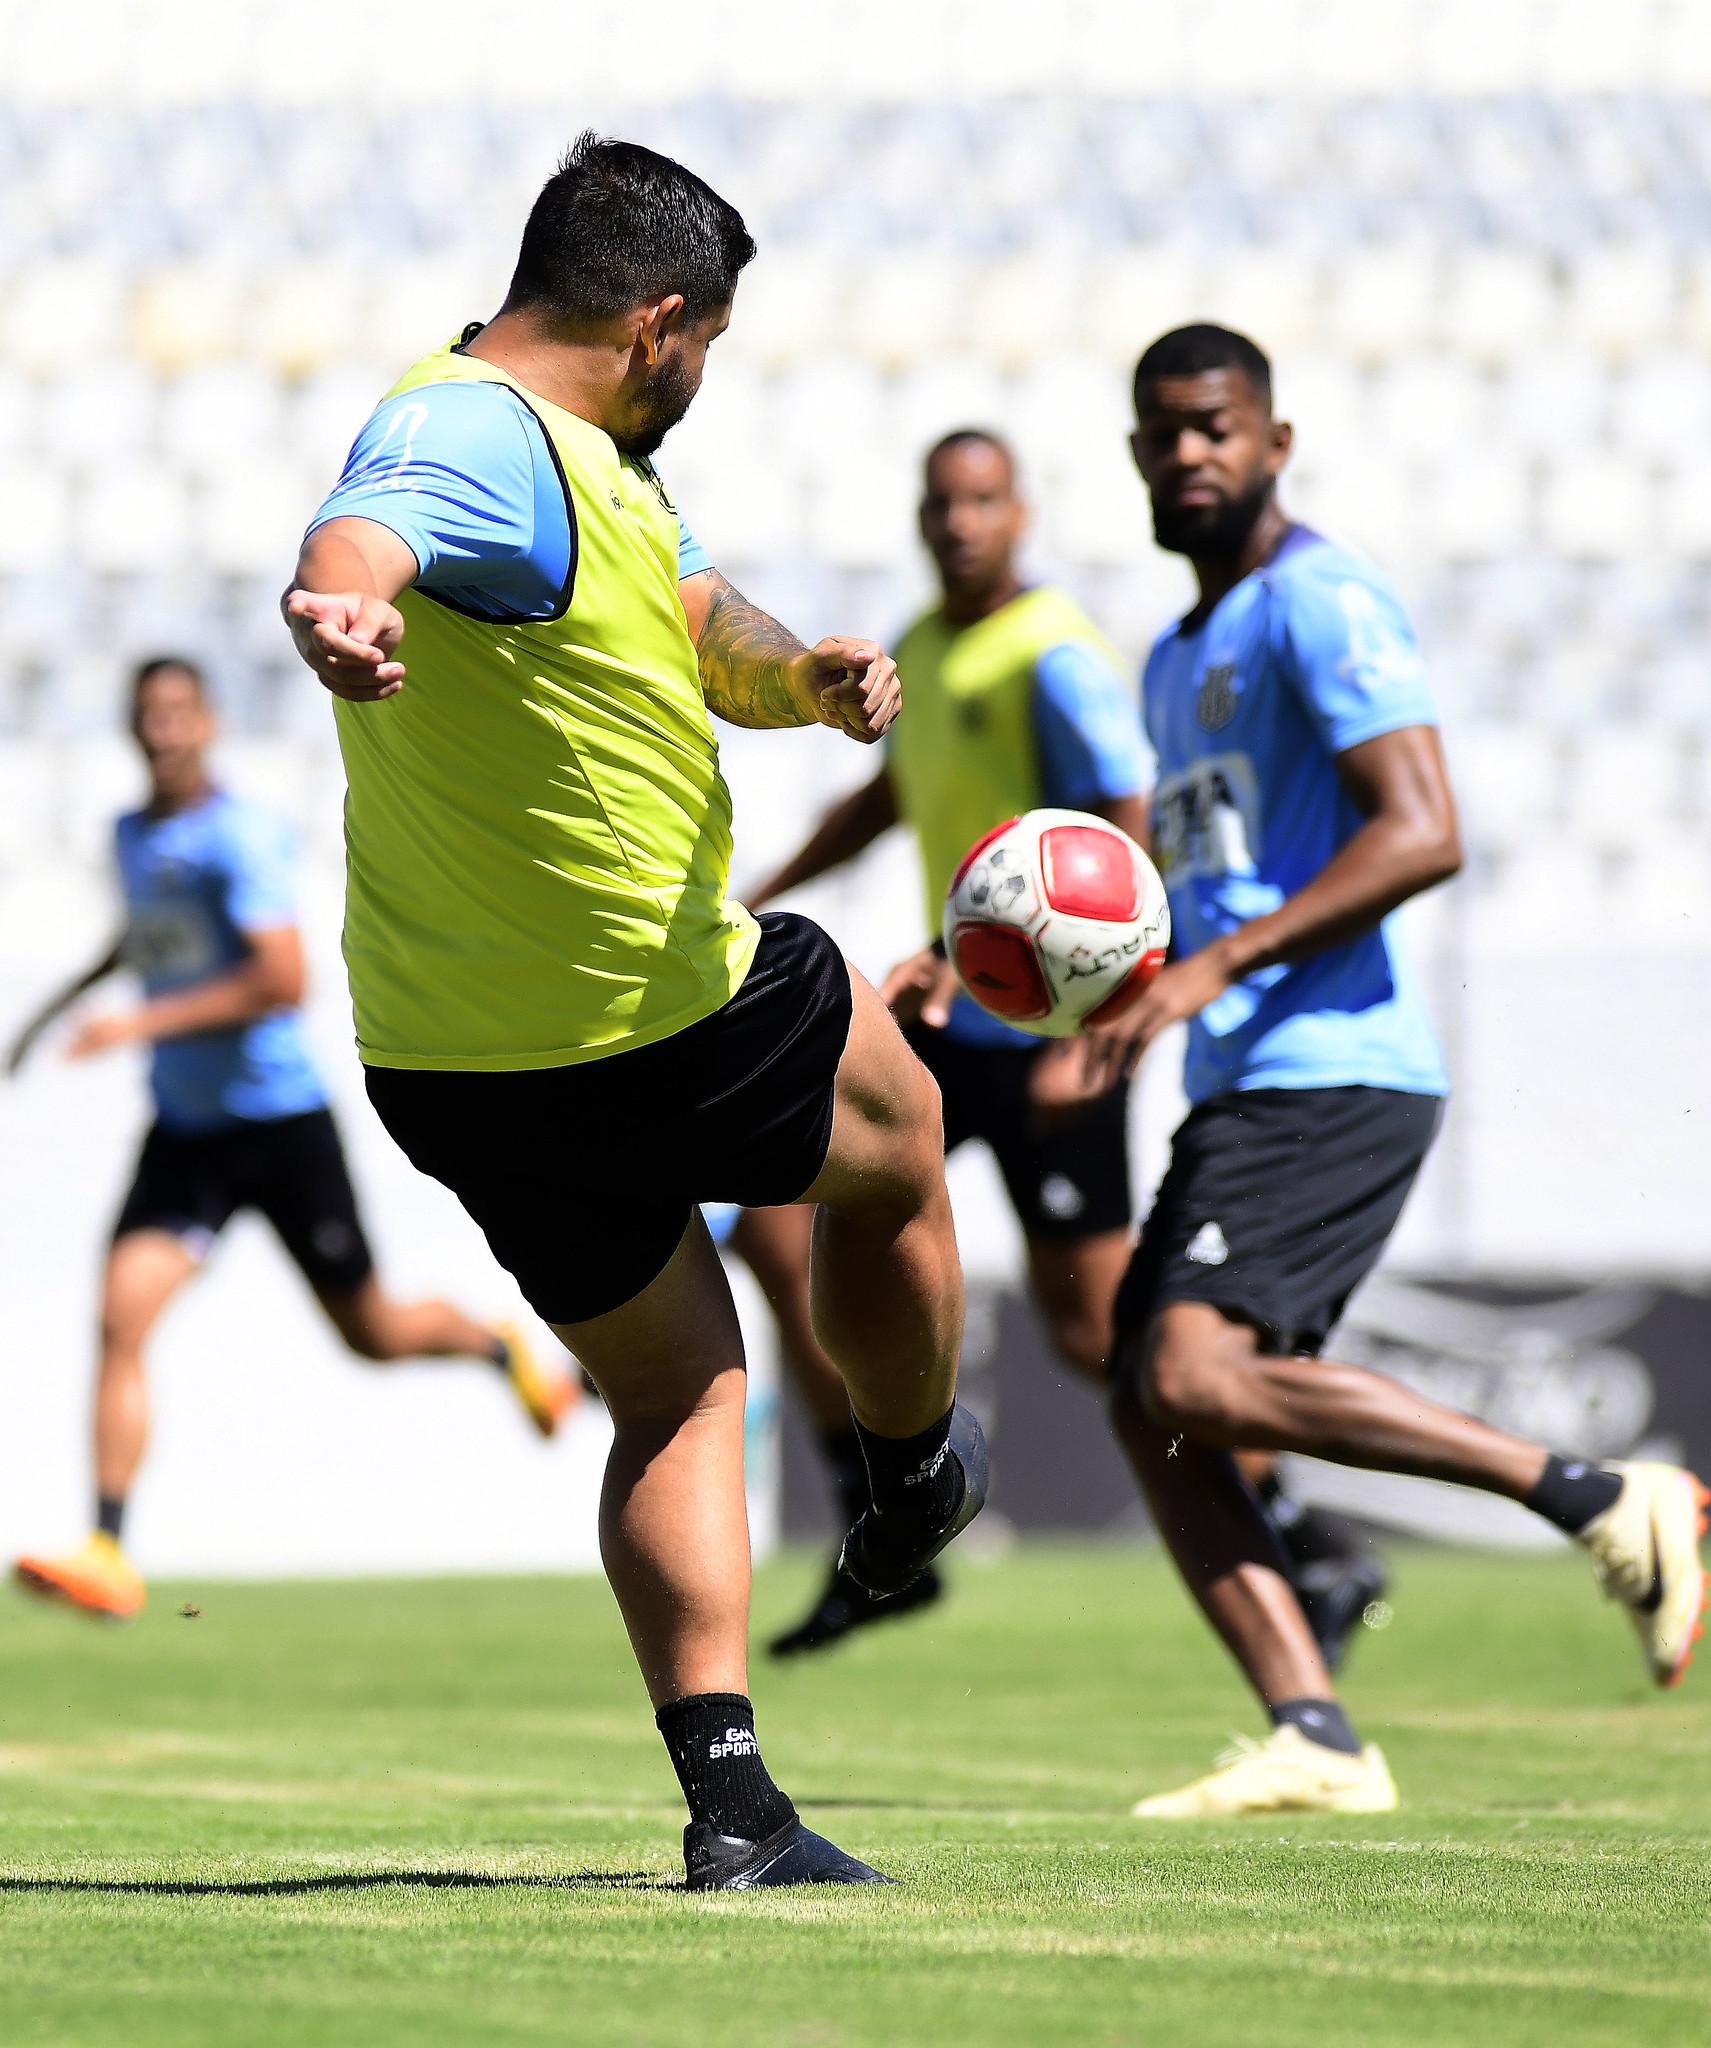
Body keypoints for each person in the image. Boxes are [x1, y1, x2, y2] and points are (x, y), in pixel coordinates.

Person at [281, 134, 984, 1890]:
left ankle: (734, 1808)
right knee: (897, 1128)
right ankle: (905, 1473)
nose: (702, 377)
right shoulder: (470, 429)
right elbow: (367, 520)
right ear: (660, 322)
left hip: (460, 1058)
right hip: (649, 1004)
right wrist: (340, 601)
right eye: (709, 347)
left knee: (680, 1387)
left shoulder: (587, 463)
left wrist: (797, 668)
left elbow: (685, 612)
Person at [1083, 323, 1710, 1817]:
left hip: (1334, 1062)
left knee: (1189, 1372)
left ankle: (1596, 1497)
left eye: (1216, 426)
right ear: (1132, 455)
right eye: (1162, 430)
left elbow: (1420, 825)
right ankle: (1313, 1731)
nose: (1189, 452)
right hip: (1247, 1072)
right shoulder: (1176, 656)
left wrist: (1223, 967)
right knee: (1146, 1401)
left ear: (1273, 443)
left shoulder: (1321, 598)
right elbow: (1215, 878)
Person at [9, 658, 577, 1624]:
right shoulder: (131, 835)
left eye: (180, 712)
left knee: (374, 1334)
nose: (165, 730)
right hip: (187, 1135)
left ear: (209, 723)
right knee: (121, 1315)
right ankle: (107, 1548)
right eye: (149, 714)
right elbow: (144, 937)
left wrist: (134, 1028)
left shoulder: (241, 836)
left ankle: (495, 1345)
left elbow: (281, 979)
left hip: (278, 1126)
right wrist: (60, 1004)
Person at [737, 429, 1151, 1655]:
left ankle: (1291, 1515)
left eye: (981, 501)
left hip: (1054, 1035)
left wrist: (1108, 1024)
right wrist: (764, 885)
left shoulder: (1053, 655)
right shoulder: (920, 649)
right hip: (949, 1009)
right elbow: (884, 801)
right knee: (786, 1222)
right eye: (940, 503)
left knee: (1091, 1329)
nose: (958, 522)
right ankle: (888, 1523)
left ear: (1019, 513)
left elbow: (1126, 832)